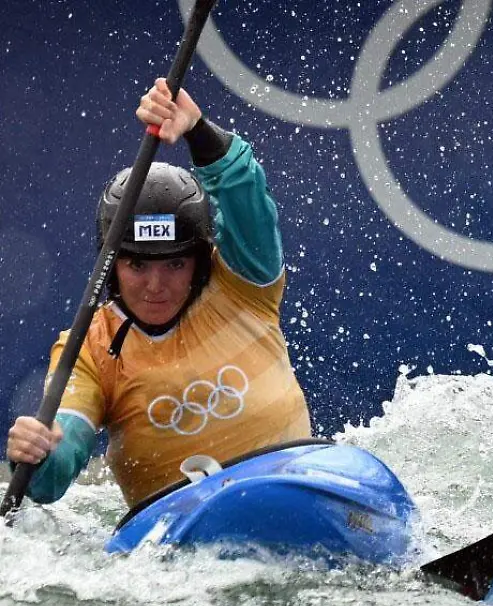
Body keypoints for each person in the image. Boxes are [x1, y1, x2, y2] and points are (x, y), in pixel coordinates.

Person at [4, 78, 312, 508]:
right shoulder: (87, 348)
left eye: (174, 263)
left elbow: (246, 194)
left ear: (200, 260)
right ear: (112, 265)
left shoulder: (244, 284)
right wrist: (39, 454)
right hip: (177, 533)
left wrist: (196, 128)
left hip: (297, 486)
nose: (155, 285)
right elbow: (56, 469)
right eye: (136, 265)